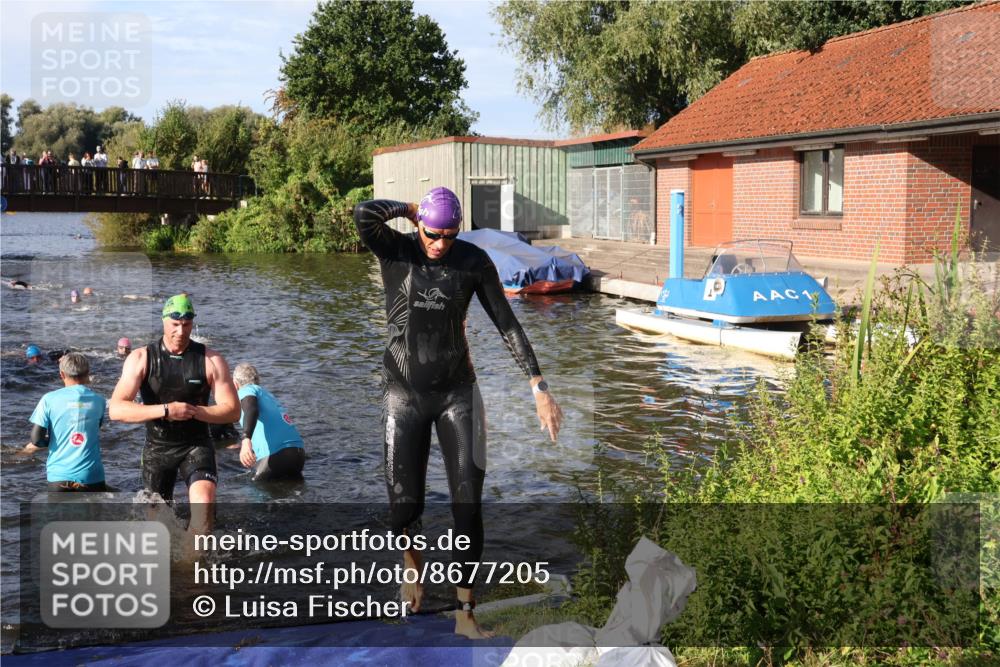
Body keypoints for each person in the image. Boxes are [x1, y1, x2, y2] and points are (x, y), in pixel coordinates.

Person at [353, 187, 563, 638]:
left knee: (467, 506)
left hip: (457, 394)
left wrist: (538, 385)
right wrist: (410, 211)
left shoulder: (472, 262)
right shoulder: (397, 249)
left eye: (449, 235)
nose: (440, 244)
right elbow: (363, 214)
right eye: (433, 233)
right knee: (403, 508)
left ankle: (465, 613)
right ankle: (413, 565)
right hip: (402, 394)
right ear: (420, 226)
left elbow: (507, 323)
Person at [108, 294, 239, 537]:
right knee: (157, 527)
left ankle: (193, 567)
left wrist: (195, 411)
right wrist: (167, 410)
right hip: (158, 448)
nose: (181, 331)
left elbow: (232, 409)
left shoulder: (211, 360)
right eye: (175, 325)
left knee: (204, 503)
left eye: (187, 325)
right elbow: (116, 409)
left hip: (196, 445)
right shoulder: (141, 358)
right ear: (164, 322)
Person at [19, 353, 109, 492]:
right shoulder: (99, 401)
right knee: (93, 514)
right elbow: (93, 430)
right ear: (88, 373)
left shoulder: (48, 399)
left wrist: (54, 440)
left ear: (62, 374)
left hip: (59, 477)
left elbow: (36, 440)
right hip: (92, 476)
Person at [232, 363, 305, 482]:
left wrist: (246, 440)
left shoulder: (246, 390)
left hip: (276, 455)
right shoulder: (268, 395)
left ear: (235, 384)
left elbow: (251, 409)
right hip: (298, 453)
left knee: (253, 492)